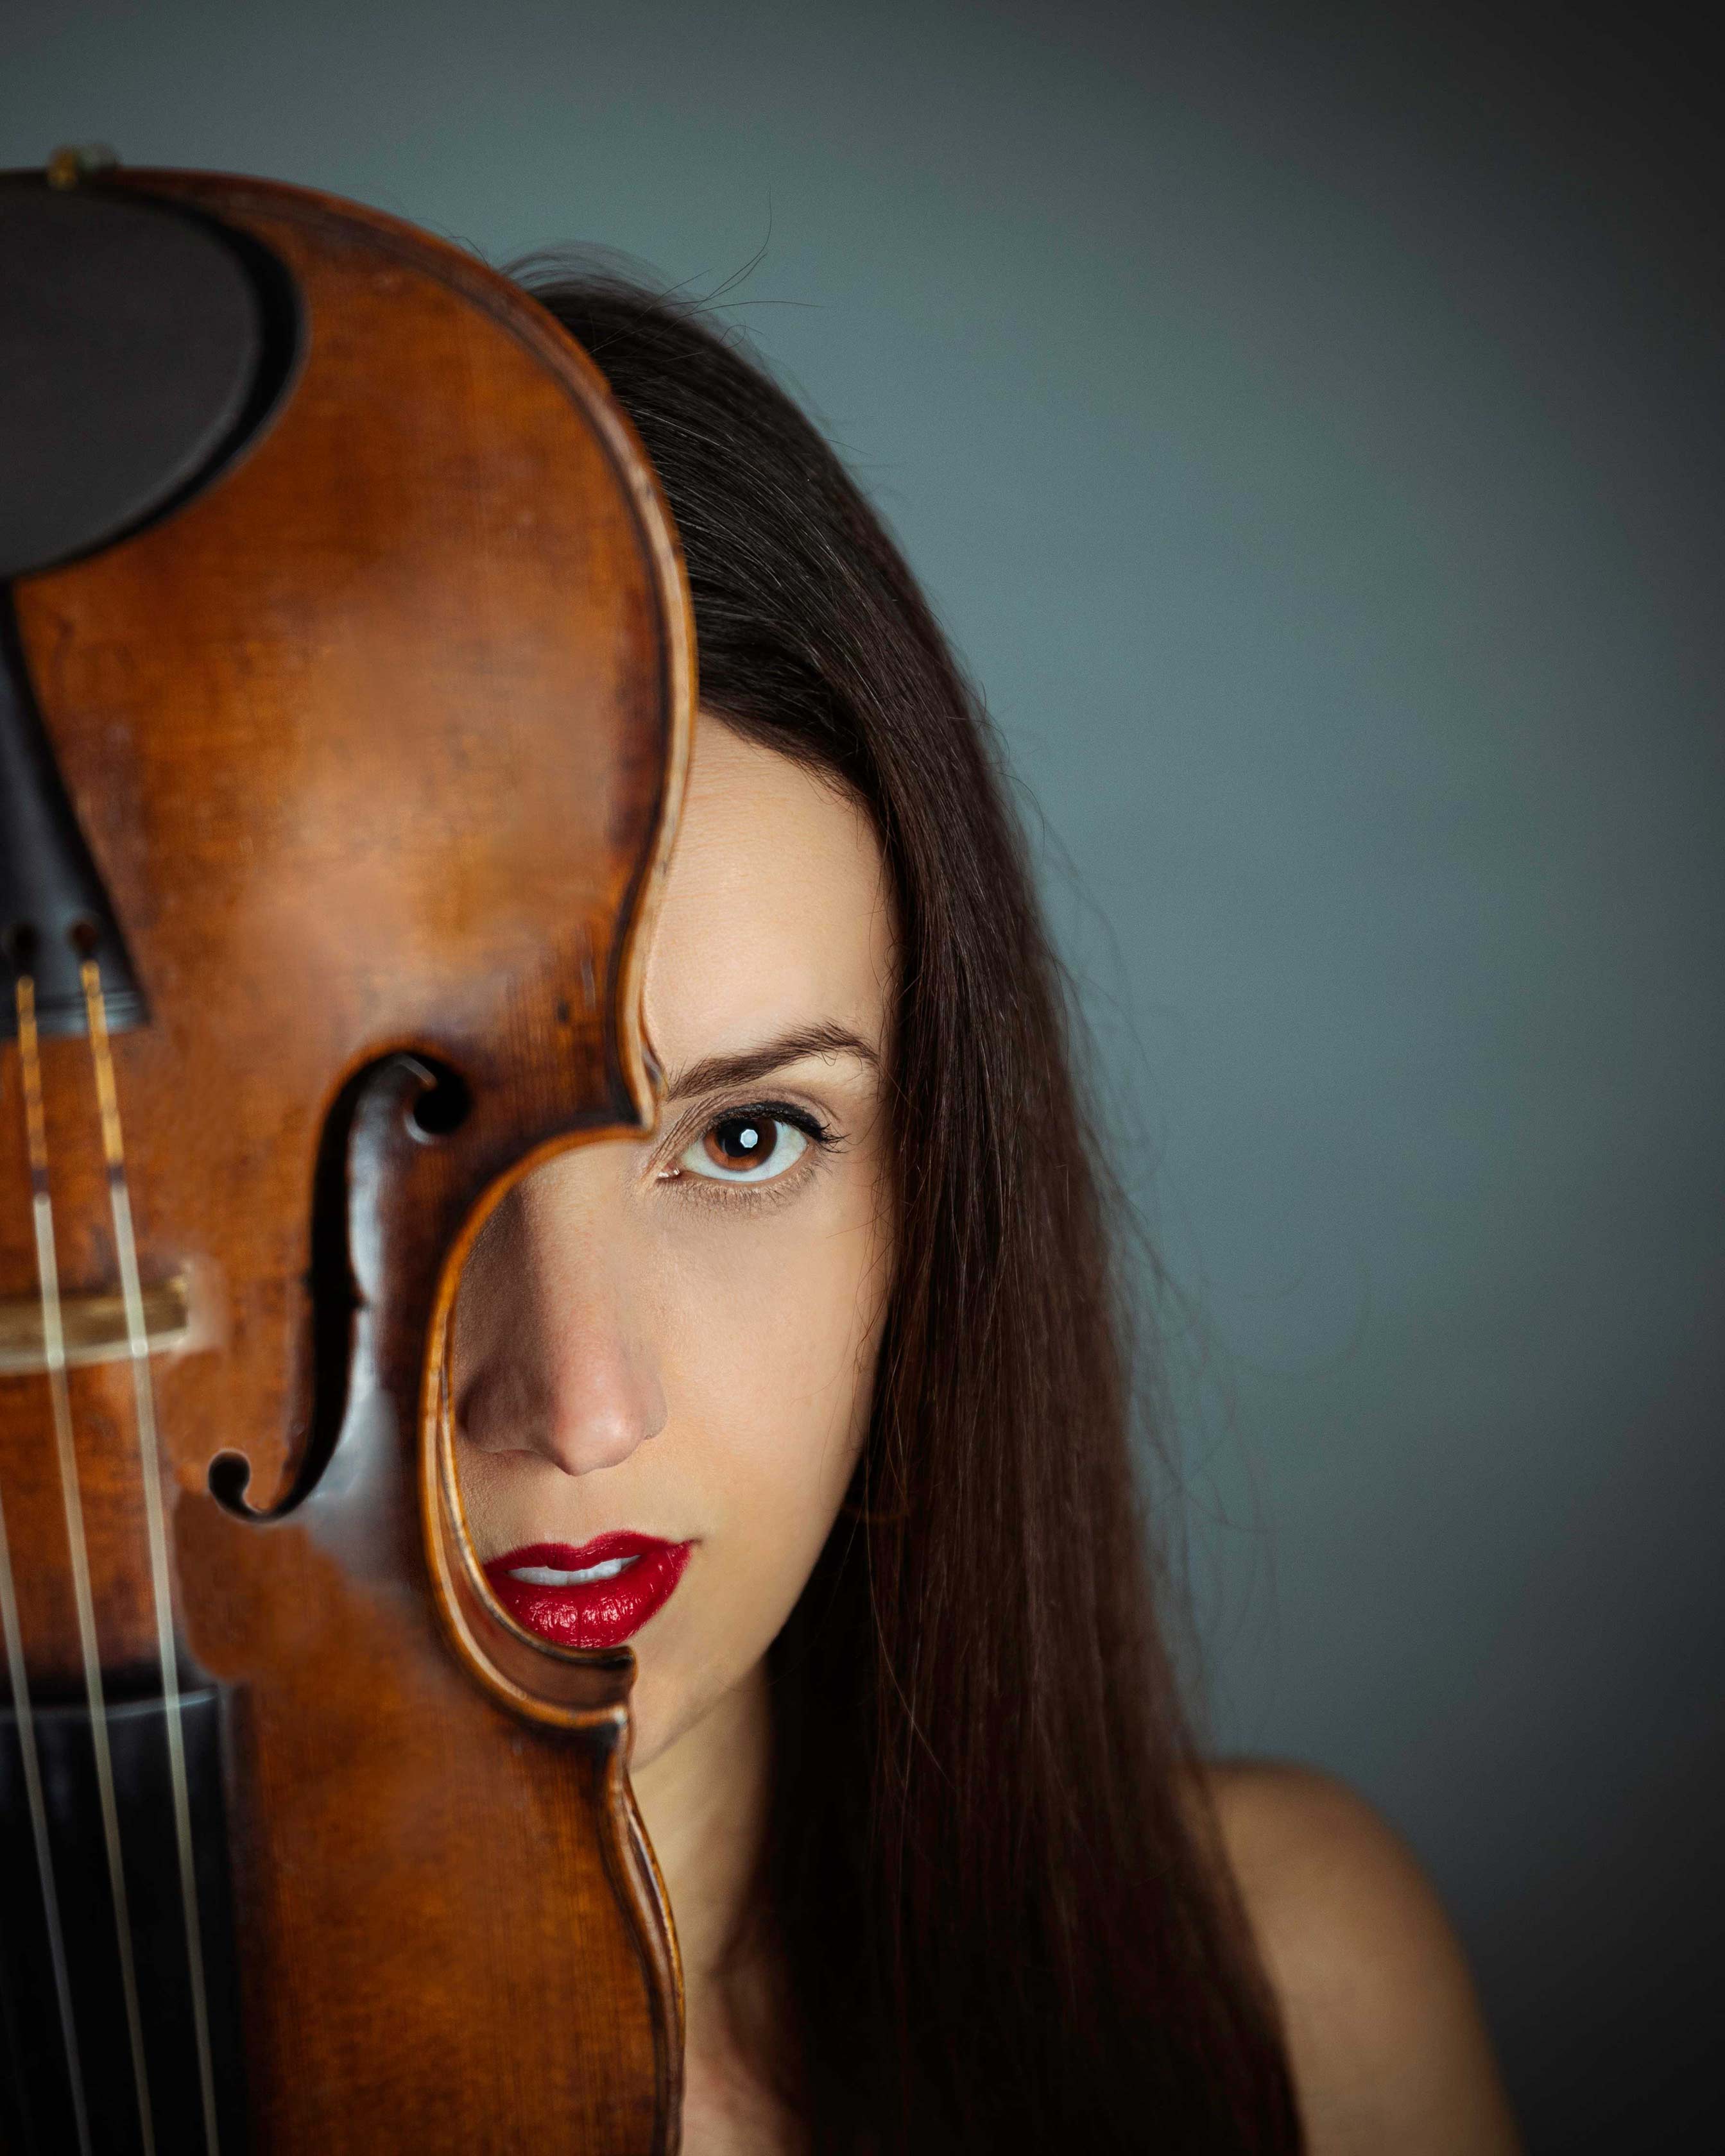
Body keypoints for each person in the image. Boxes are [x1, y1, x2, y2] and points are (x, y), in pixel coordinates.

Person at [451, 271, 1521, 2155]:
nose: (581, 1398)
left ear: (926, 1198)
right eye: (412, 1140)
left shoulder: (1295, 2000)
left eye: (754, 1139)